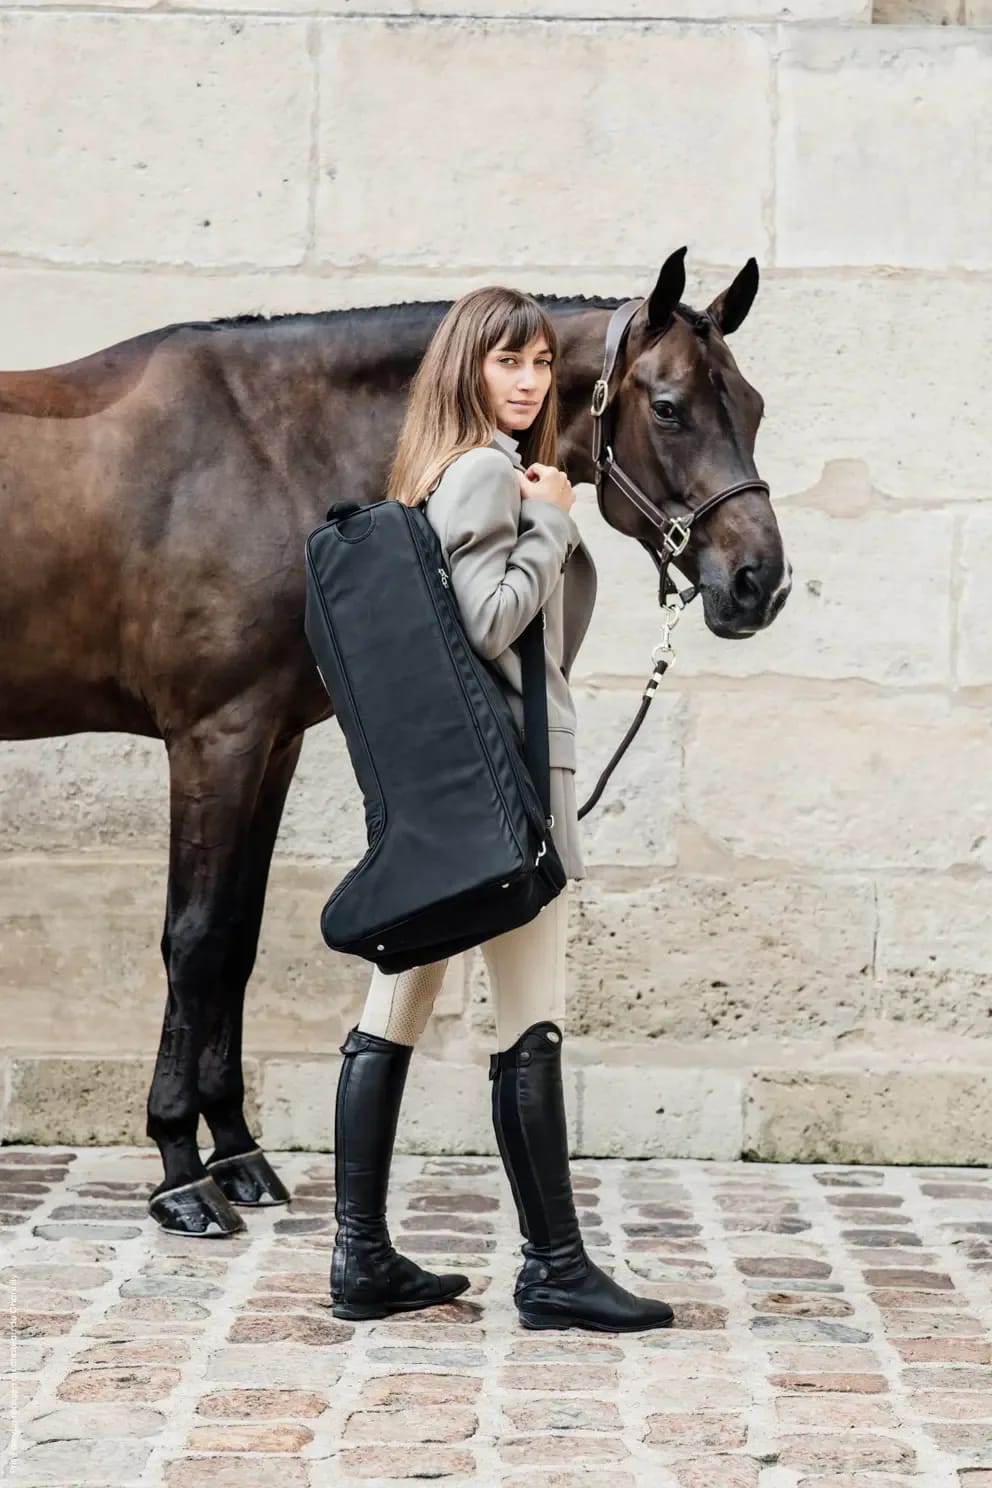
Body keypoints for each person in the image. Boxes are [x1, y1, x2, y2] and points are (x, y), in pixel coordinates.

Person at [330, 286, 673, 1334]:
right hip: (509, 794)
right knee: (530, 1023)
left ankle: (361, 1258)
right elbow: (489, 621)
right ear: (465, 371)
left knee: (392, 1011)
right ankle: (554, 1267)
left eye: (536, 365)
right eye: (504, 363)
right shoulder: (484, 470)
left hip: (447, 799)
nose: (526, 383)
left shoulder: (436, 470)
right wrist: (554, 524)